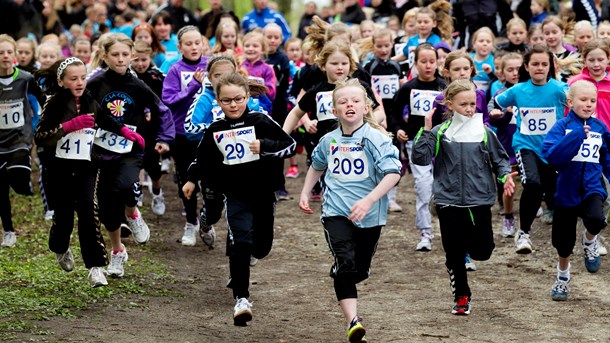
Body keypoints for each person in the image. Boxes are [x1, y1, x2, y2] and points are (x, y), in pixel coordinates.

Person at [183, 72, 295, 326]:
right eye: (226, 101)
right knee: (240, 241)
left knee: (262, 247)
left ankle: (248, 260)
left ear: (247, 97)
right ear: (219, 102)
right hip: (234, 194)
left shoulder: (260, 120)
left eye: (238, 99)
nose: (233, 105)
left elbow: (288, 145)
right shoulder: (215, 129)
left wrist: (264, 145)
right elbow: (203, 159)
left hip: (263, 193)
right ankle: (241, 298)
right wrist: (191, 179)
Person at [298, 79, 401, 343]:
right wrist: (305, 191)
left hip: (371, 216)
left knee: (360, 270)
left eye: (355, 101)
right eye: (343, 102)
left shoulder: (376, 138)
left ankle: (347, 274)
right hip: (335, 212)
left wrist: (369, 200)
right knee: (345, 263)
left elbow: (393, 174)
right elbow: (317, 165)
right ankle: (353, 322)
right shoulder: (328, 140)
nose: (349, 105)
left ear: (367, 107)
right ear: (334, 111)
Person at [412, 79, 515, 315]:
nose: (469, 109)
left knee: (484, 251)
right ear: (450, 105)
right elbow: (420, 158)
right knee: (454, 251)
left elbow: (499, 160)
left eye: (472, 104)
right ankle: (461, 296)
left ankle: (467, 247)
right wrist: (426, 129)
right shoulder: (441, 133)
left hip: (479, 199)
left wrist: (505, 177)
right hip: (447, 200)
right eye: (463, 105)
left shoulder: (484, 132)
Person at [87, 33, 175, 277]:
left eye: (125, 54)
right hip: (102, 150)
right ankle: (117, 252)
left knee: (127, 185)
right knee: (105, 210)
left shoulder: (137, 85)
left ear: (132, 55)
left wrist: (165, 138)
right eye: (115, 55)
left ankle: (133, 213)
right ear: (105, 56)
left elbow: (161, 109)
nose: (121, 59)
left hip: (130, 148)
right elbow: (80, 106)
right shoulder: (95, 83)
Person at [33, 57, 108, 287]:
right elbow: (40, 137)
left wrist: (128, 130)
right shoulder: (54, 103)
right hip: (60, 168)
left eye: (83, 78)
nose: (79, 82)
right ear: (62, 81)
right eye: (73, 79)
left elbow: (106, 121)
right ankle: (60, 247)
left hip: (86, 165)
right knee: (64, 214)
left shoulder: (91, 99)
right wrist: (67, 127)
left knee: (88, 208)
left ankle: (96, 267)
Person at [494, 45, 567, 254]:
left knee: (552, 190)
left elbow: (577, 101)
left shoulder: (560, 89)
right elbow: (496, 101)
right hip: (525, 146)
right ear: (526, 66)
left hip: (552, 149)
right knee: (533, 184)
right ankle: (523, 233)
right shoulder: (518, 90)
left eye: (544, 64)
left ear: (550, 66)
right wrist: (494, 112)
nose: (540, 68)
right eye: (535, 64)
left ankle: (556, 224)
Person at [542, 80, 609, 301]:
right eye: (583, 100)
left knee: (597, 220)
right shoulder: (561, 127)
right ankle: (562, 277)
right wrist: (577, 135)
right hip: (566, 191)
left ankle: (590, 240)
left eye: (592, 100)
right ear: (570, 102)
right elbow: (552, 157)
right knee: (563, 243)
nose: (589, 104)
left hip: (592, 187)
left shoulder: (600, 127)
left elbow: (606, 157)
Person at [392, 43, 446, 251]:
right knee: (423, 186)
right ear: (415, 64)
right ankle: (425, 232)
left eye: (432, 61)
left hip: (443, 143)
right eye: (423, 62)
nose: (428, 65)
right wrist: (398, 128)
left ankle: (448, 230)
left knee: (442, 187)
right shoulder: (408, 87)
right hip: (417, 142)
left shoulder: (444, 87)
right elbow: (394, 111)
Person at [162, 25, 209, 246]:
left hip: (208, 132)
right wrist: (192, 86)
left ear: (203, 44)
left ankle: (207, 220)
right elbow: (168, 100)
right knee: (186, 179)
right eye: (188, 44)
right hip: (182, 133)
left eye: (197, 42)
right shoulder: (175, 70)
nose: (193, 47)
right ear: (179, 47)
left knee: (210, 179)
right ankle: (191, 222)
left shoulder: (211, 65)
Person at [0, 34, 39, 247]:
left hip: (20, 139)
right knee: (0, 190)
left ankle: (22, 176)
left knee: (19, 183)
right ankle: (8, 230)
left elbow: (43, 98)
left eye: (8, 52)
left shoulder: (25, 78)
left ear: (14, 55)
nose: (5, 56)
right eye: (0, 53)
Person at [489, 53, 524, 239]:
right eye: (510, 70)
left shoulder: (530, 89)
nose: (515, 73)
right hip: (507, 146)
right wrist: (505, 114)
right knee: (508, 184)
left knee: (532, 182)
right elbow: (495, 120)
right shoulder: (500, 94)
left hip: (528, 145)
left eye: (518, 68)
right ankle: (508, 216)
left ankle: (531, 210)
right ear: (502, 74)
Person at [132, 41, 167, 217]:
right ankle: (136, 190)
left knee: (153, 164)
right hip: (132, 126)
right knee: (135, 161)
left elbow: (163, 102)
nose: (140, 64)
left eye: (143, 59)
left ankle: (157, 192)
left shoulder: (156, 77)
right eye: (136, 59)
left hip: (152, 127)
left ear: (150, 58)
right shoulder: (127, 76)